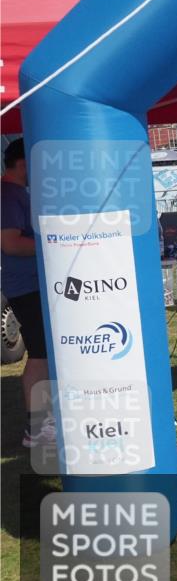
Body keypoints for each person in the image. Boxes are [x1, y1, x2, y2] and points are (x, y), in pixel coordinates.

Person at [1, 140, 54, 449]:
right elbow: (8, 244)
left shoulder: (15, 193)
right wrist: (54, 244)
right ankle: (35, 429)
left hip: (31, 285)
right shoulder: (8, 195)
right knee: (40, 353)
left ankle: (42, 422)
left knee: (43, 351)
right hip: (25, 286)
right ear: (23, 163)